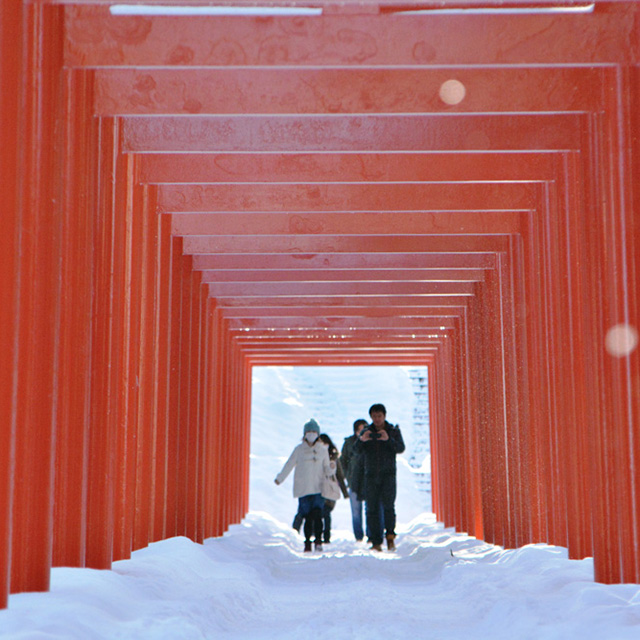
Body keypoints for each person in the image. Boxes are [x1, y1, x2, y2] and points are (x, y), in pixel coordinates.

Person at [275, 419, 332, 552]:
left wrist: (332, 468)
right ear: (304, 433)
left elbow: (327, 469)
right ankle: (307, 542)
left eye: (314, 432)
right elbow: (289, 465)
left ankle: (318, 540)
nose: (311, 434)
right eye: (309, 431)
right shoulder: (299, 450)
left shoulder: (323, 450)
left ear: (318, 434)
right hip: (303, 488)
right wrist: (280, 478)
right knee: (307, 516)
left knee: (318, 515)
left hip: (318, 488)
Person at [356, 403, 405, 551]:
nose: (377, 419)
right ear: (371, 417)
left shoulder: (393, 431)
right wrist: (362, 440)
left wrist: (388, 440)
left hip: (388, 475)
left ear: (384, 416)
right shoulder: (367, 432)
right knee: (372, 509)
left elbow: (400, 448)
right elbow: (356, 451)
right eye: (374, 416)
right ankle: (376, 541)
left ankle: (390, 537)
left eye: (380, 416)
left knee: (389, 507)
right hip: (370, 476)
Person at [318, 433, 348, 544]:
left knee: (326, 512)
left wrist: (345, 493)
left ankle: (326, 536)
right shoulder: (316, 457)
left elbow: (340, 475)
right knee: (319, 512)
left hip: (330, 489)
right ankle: (318, 534)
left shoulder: (334, 459)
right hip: (319, 489)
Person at [341, 419, 368, 541]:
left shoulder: (371, 441)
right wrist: (348, 475)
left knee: (370, 510)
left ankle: (371, 534)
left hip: (368, 481)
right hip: (353, 482)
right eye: (360, 429)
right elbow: (343, 461)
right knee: (356, 511)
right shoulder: (349, 443)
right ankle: (359, 536)